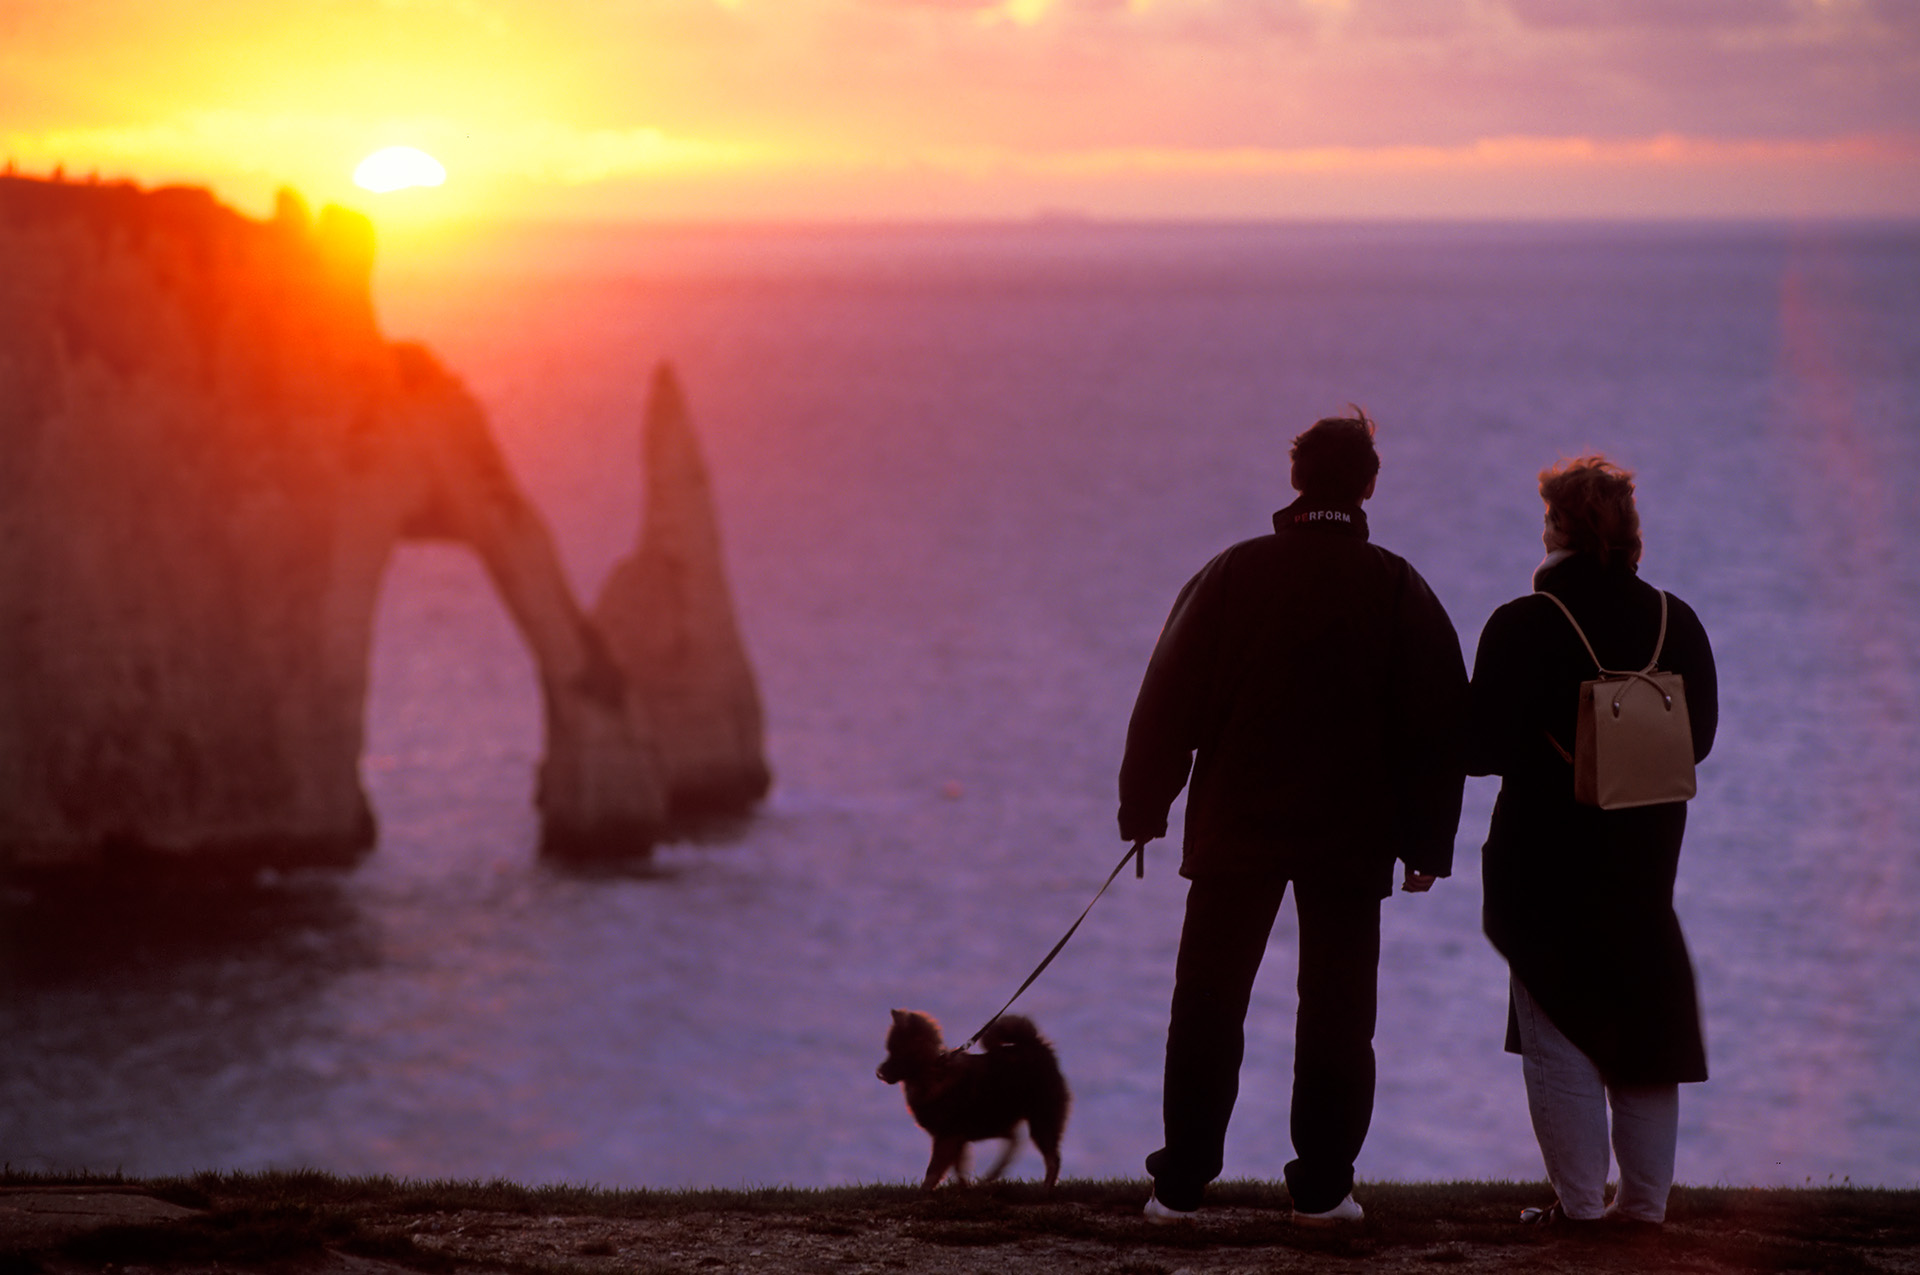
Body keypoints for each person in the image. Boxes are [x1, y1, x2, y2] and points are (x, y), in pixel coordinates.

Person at [1118, 410, 1468, 1225]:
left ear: (1295, 480)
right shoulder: (1396, 585)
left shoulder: (1232, 573)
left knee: (1207, 1000)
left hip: (1235, 823)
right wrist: (1427, 840)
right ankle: (1323, 1187)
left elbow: (1166, 699)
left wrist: (1145, 807)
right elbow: (1436, 722)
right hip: (1352, 830)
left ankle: (1180, 1185)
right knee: (1340, 1011)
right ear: (1369, 485)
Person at [1467, 455, 1717, 1226]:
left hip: (1544, 857)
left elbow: (1480, 747)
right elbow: (1698, 738)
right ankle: (1643, 1207)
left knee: (1557, 1025)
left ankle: (1578, 1208)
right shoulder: (1677, 619)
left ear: (1556, 529)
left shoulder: (1523, 623)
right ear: (1632, 535)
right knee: (1645, 1028)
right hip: (1644, 855)